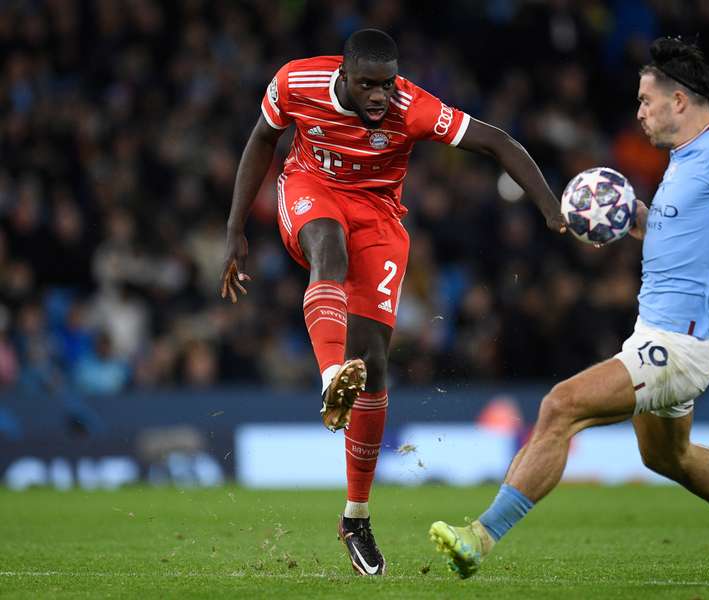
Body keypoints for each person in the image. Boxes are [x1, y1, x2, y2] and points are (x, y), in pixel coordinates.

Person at [429, 37, 709, 581]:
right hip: (659, 337)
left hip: (679, 346)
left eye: (645, 100)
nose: (639, 112)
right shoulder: (683, 165)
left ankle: (480, 537)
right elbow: (675, 237)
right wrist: (624, 217)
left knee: (559, 406)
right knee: (668, 457)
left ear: (679, 101)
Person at [220, 29, 566, 576]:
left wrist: (550, 208)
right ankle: (332, 376)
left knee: (376, 366)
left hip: (379, 217)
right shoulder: (297, 80)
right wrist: (236, 228)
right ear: (344, 74)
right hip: (310, 188)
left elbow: (497, 141)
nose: (381, 95)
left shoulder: (413, 106)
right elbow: (262, 140)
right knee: (327, 251)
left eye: (387, 84)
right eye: (368, 85)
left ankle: (355, 516)